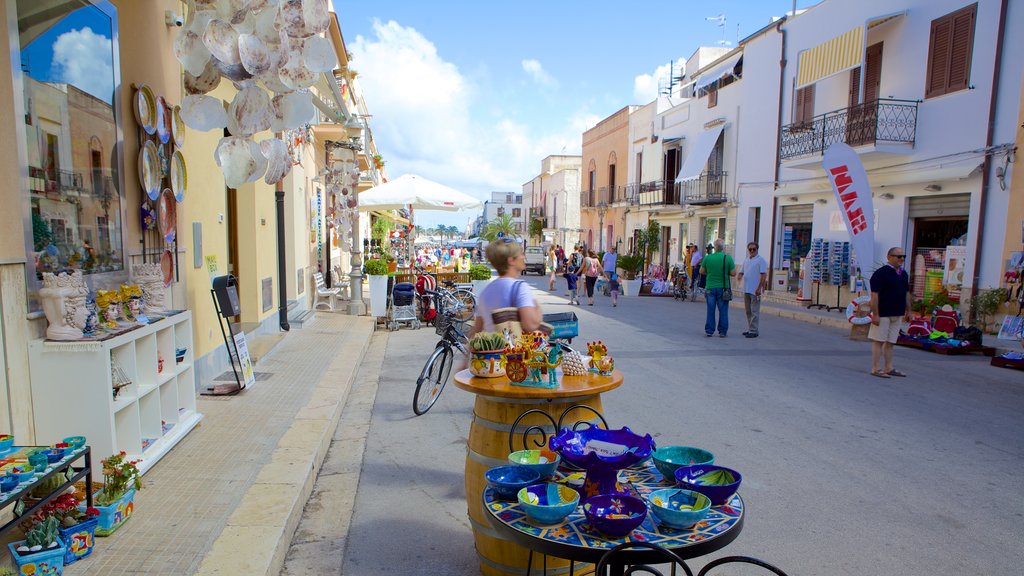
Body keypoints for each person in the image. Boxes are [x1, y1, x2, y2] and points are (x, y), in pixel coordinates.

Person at [471, 239, 542, 337]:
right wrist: (538, 310)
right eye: (521, 254)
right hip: (512, 350)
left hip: (493, 350)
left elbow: (477, 328)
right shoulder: (519, 287)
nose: (524, 257)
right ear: (511, 260)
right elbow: (530, 325)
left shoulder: (486, 291)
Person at [869, 247, 912, 378]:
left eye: (903, 256)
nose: (902, 259)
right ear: (889, 257)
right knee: (879, 340)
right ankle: (876, 368)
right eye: (898, 256)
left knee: (891, 342)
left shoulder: (903, 274)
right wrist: (875, 314)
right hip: (883, 312)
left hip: (897, 312)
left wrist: (909, 310)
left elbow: (906, 293)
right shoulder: (881, 273)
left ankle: (888, 367)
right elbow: (874, 294)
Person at [699, 239, 736, 337]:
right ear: (723, 248)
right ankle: (723, 331)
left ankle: (709, 330)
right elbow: (733, 273)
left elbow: (701, 271)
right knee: (723, 310)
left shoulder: (708, 258)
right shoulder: (727, 258)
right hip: (723, 288)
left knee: (710, 310)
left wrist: (711, 272)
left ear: (714, 248)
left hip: (710, 287)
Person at [737, 242, 768, 338]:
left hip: (755, 289)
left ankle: (754, 331)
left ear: (757, 249)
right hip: (746, 289)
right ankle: (750, 328)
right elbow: (742, 271)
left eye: (754, 249)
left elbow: (763, 275)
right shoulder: (746, 260)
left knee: (754, 311)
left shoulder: (760, 260)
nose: (752, 251)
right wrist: (739, 275)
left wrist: (759, 288)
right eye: (750, 249)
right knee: (748, 311)